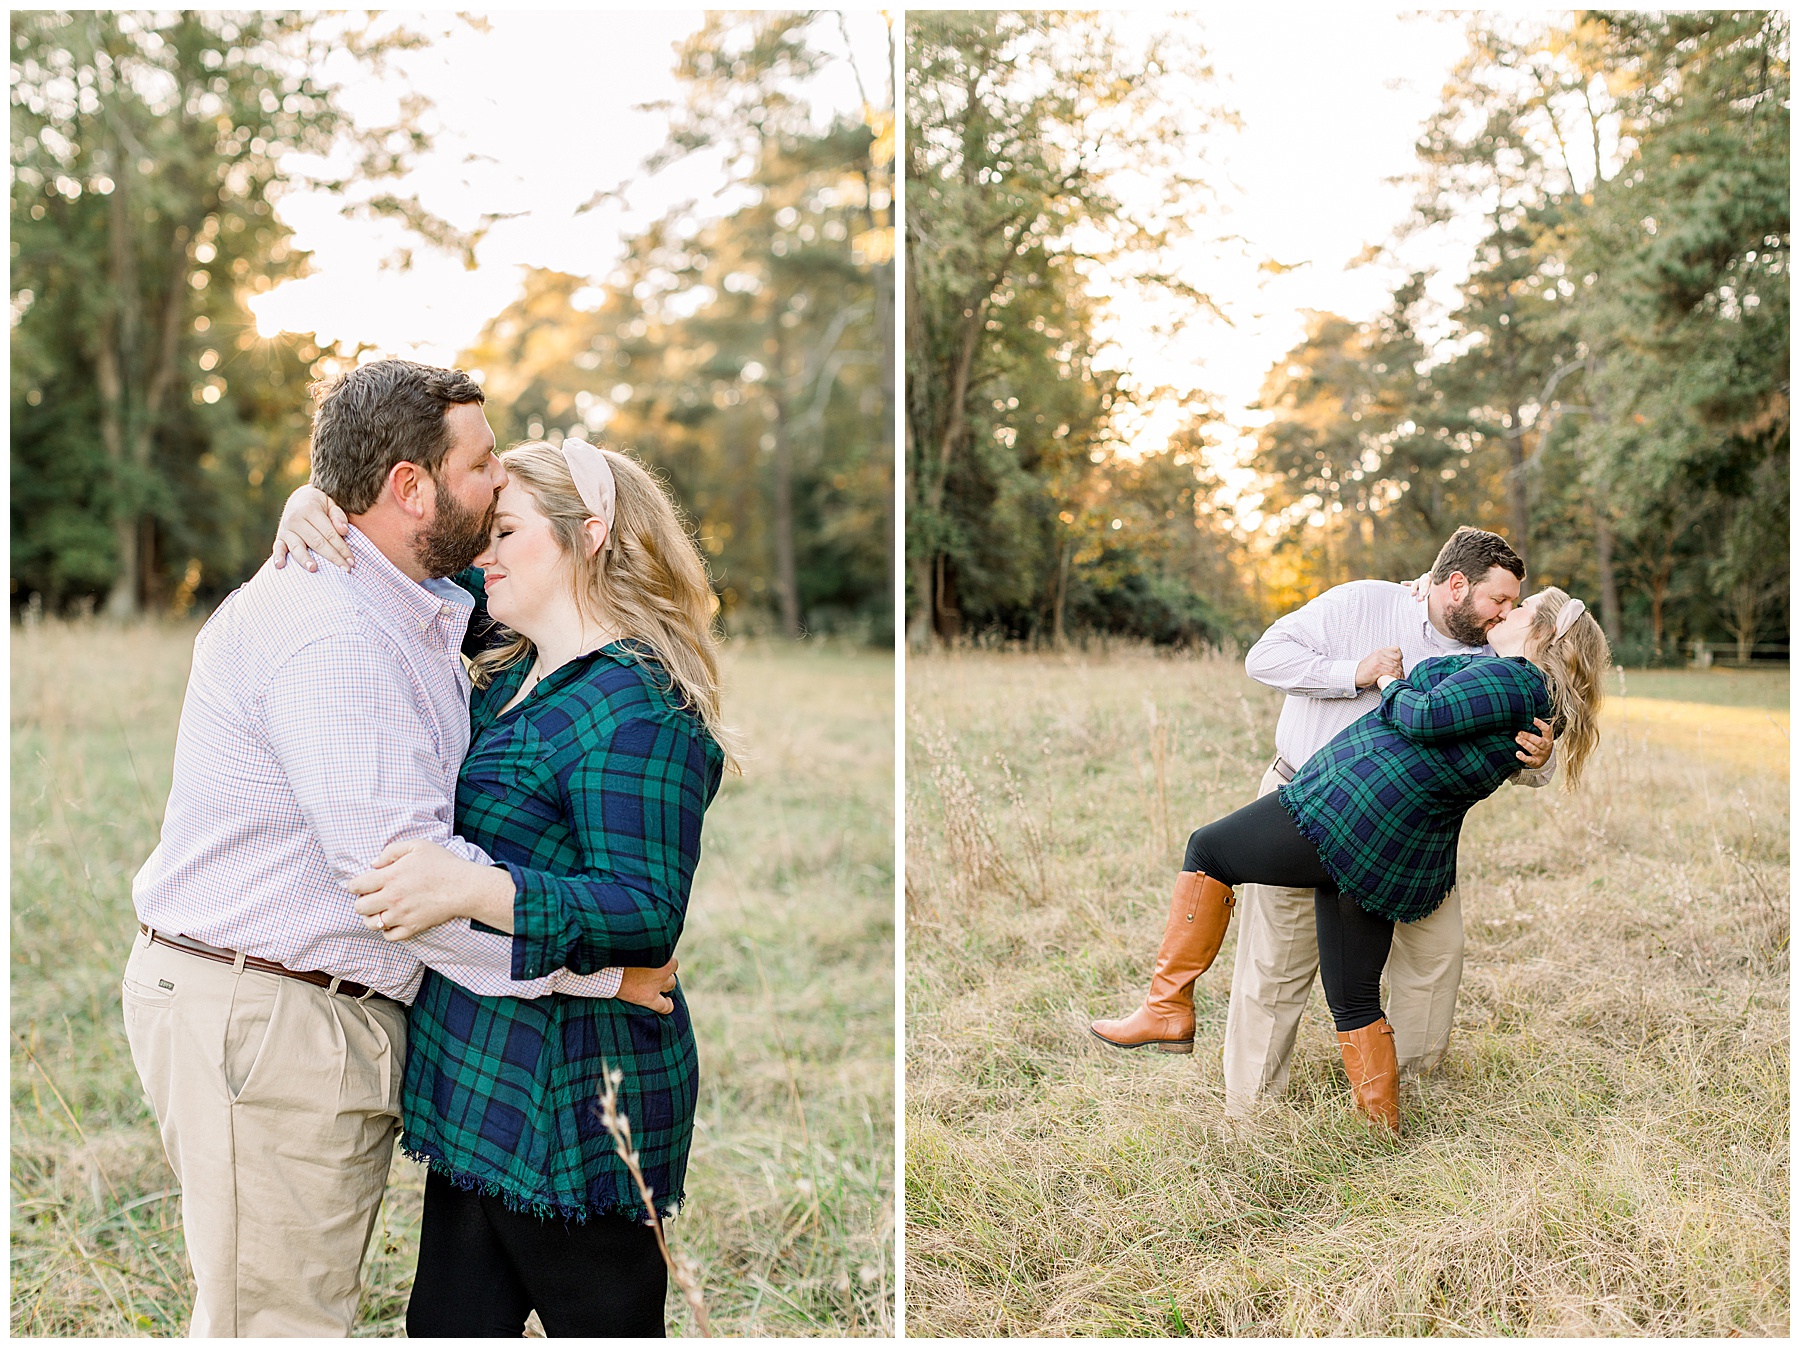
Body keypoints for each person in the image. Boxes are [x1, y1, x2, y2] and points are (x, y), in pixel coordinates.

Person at [123, 360, 668, 1337]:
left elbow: (563, 570)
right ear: (410, 487)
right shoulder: (337, 631)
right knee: (277, 1322)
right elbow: (404, 886)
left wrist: (315, 498)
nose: (498, 482)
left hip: (309, 1013)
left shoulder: (413, 598)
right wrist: (594, 977)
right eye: (482, 464)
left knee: (292, 1302)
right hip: (270, 1012)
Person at [277, 435, 734, 1337]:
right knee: (444, 1327)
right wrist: (308, 505)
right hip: (475, 1076)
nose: (483, 553)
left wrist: (469, 889)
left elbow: (645, 910)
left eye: (508, 532)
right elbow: (390, 568)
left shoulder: (638, 705)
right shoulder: (511, 663)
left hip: (572, 1092)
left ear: (588, 536)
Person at [1093, 588, 1609, 1131]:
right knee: (1354, 994)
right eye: (1502, 599)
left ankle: (1167, 1007)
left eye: (1520, 608)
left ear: (1544, 635)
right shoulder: (1534, 696)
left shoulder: (1510, 678)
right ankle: (1380, 1129)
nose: (1508, 611)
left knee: (1207, 849)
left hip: (1346, 816)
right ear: (1454, 583)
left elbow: (1422, 713)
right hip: (1388, 843)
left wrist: (1388, 680)